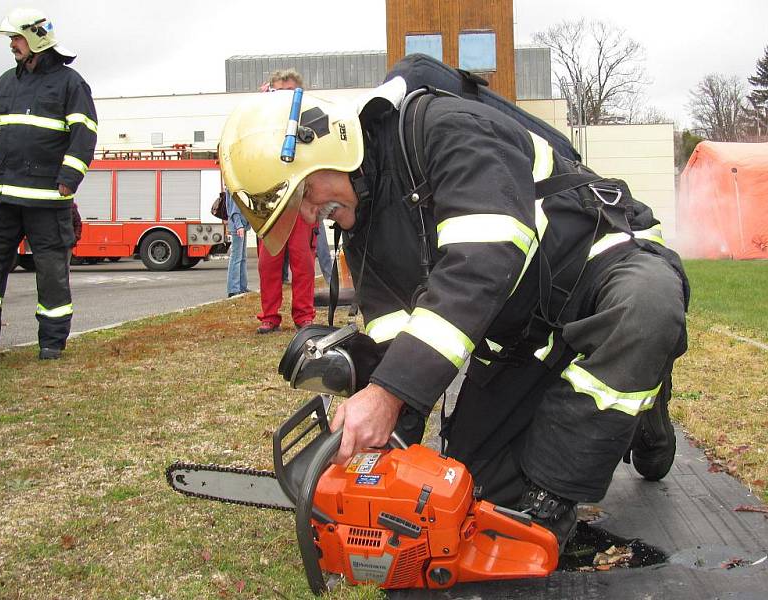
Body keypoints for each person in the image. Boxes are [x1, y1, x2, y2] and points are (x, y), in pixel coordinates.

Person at [219, 69, 689, 552]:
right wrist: (374, 447)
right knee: (474, 498)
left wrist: (387, 394)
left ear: (325, 149)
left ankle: (619, 431)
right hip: (522, 334)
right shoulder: (364, 227)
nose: (306, 215)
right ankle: (615, 397)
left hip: (597, 267)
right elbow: (395, 336)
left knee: (646, 308)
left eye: (302, 195)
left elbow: (483, 262)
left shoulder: (446, 129)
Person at [0, 7, 97, 361]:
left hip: (47, 200)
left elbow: (84, 135)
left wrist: (68, 180)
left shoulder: (71, 84)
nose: (12, 44)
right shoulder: (5, 84)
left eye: (16, 38)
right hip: (3, 198)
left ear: (37, 37)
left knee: (52, 274)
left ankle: (52, 343)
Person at [252, 69, 317, 334]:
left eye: (289, 92)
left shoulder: (312, 119)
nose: (284, 98)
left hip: (301, 199)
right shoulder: (261, 123)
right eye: (278, 92)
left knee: (303, 262)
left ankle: (304, 316)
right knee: (268, 263)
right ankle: (270, 316)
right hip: (272, 202)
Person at [225, 189, 250, 297]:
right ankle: (233, 289)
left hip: (242, 225)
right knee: (236, 258)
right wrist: (239, 226)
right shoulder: (233, 187)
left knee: (242, 257)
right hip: (238, 226)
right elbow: (234, 210)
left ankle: (242, 287)